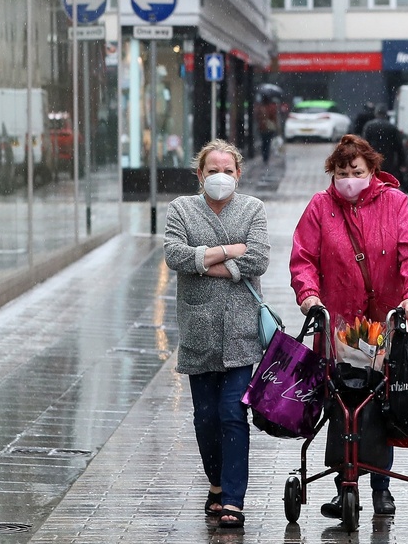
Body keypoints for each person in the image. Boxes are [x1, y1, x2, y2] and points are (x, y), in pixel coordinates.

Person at [290, 134, 408, 518]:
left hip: (383, 322)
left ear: (372, 172)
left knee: (382, 401)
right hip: (337, 325)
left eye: (356, 171)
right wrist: (309, 295)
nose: (349, 179)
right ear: (331, 173)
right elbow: (303, 257)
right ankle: (344, 483)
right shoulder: (321, 207)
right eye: (341, 172)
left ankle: (381, 486)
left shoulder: (394, 203)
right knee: (342, 403)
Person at [162, 139, 272, 529]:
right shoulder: (181, 209)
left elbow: (258, 257)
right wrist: (230, 251)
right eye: (213, 170)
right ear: (200, 174)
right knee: (205, 418)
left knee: (231, 413)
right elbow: (174, 255)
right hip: (199, 330)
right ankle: (215, 484)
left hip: (242, 334)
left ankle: (233, 499)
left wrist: (202, 258)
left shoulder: (252, 209)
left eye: (228, 170)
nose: (220, 177)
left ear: (238, 173)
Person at [362, 105, 405, 179]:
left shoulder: (369, 126)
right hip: (388, 161)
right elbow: (399, 147)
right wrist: (401, 163)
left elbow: (364, 145)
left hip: (373, 160)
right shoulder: (392, 127)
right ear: (386, 114)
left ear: (376, 113)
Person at [257, 98, 280, 166]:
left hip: (262, 128)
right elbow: (274, 118)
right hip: (269, 128)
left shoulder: (260, 107)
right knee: (267, 142)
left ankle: (264, 156)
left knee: (264, 142)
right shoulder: (271, 107)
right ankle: (266, 156)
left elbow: (258, 117)